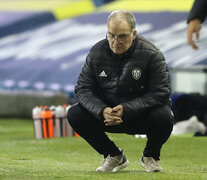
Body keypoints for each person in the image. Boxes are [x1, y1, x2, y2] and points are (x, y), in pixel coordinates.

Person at [67, 10, 174, 173]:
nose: (115, 42)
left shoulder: (152, 54)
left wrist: (127, 109)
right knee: (74, 113)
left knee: (164, 116)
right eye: (111, 35)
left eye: (122, 36)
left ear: (134, 34)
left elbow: (161, 92)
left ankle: (150, 156)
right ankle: (113, 155)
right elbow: (83, 88)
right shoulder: (96, 52)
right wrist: (102, 110)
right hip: (108, 117)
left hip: (139, 115)